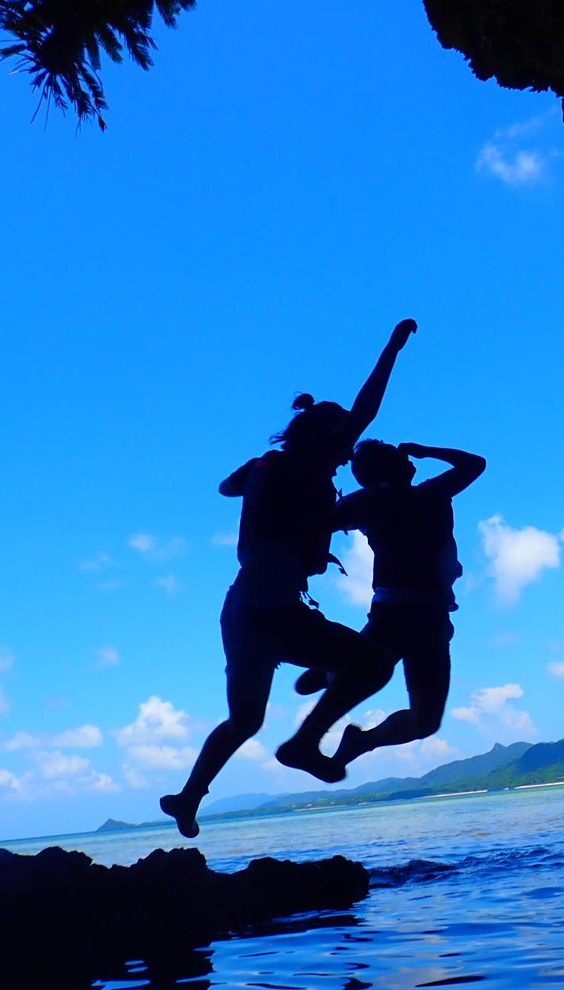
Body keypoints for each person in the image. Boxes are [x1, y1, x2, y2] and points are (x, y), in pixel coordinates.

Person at [158, 318, 417, 839]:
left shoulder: (268, 467)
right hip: (275, 612)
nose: (349, 453)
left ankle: (188, 797)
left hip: (242, 611)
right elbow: (366, 410)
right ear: (325, 439)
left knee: (245, 720)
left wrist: (257, 482)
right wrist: (391, 347)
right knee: (372, 666)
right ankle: (307, 733)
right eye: (342, 443)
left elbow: (225, 488)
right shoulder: (302, 468)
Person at [297, 438, 485, 771]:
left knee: (426, 722)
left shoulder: (428, 493)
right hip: (398, 614)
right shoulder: (390, 499)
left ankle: (357, 729)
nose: (405, 456)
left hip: (429, 616)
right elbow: (473, 464)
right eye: (395, 454)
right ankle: (332, 671)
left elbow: (475, 464)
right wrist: (427, 450)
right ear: (386, 468)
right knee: (413, 710)